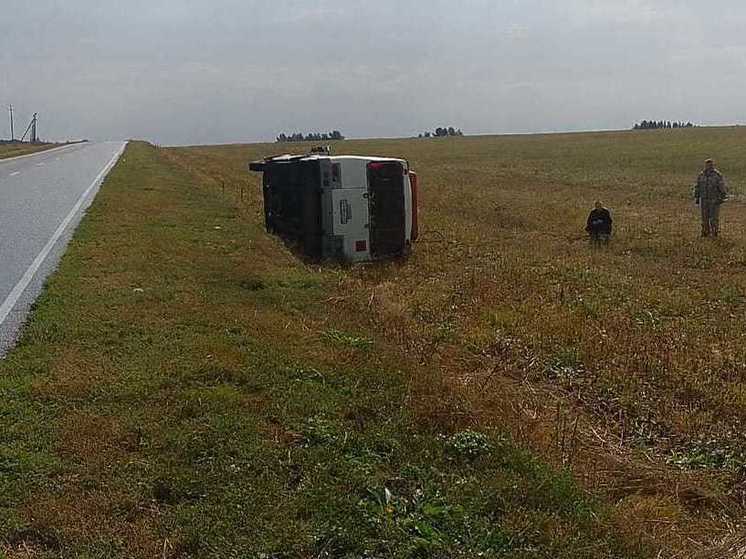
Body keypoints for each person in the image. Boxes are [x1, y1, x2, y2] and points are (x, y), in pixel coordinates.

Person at [694, 159, 728, 237]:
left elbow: (722, 187)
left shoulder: (717, 175)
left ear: (713, 165)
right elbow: (697, 186)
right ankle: (705, 233)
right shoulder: (701, 175)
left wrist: (722, 197)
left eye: (710, 165)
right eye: (707, 165)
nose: (709, 166)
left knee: (713, 218)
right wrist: (696, 197)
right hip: (704, 199)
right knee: (704, 218)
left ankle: (714, 233)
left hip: (714, 200)